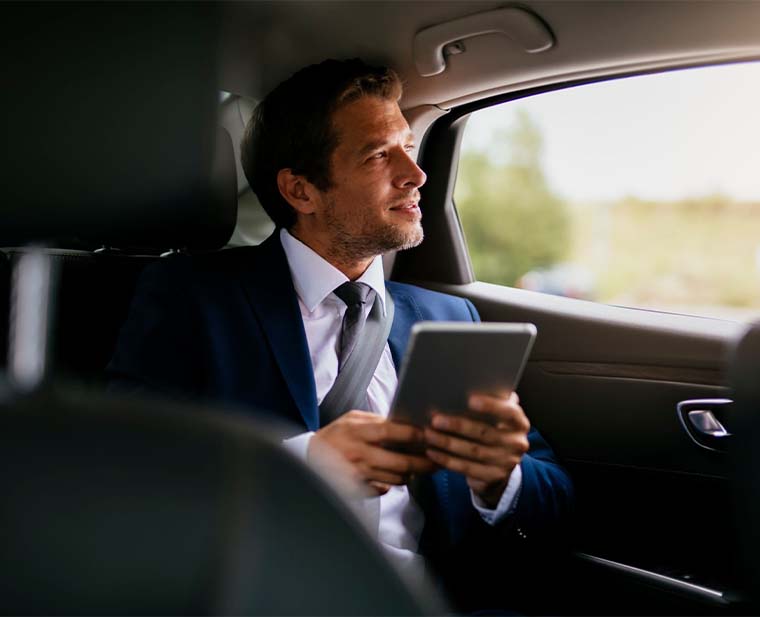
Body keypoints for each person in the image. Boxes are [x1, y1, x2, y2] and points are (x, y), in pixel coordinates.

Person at [108, 58, 573, 611]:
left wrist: (502, 478)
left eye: (407, 144)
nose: (415, 173)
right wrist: (307, 463)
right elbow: (125, 476)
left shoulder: (447, 317)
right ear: (301, 191)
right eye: (380, 154)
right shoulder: (193, 298)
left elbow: (555, 499)